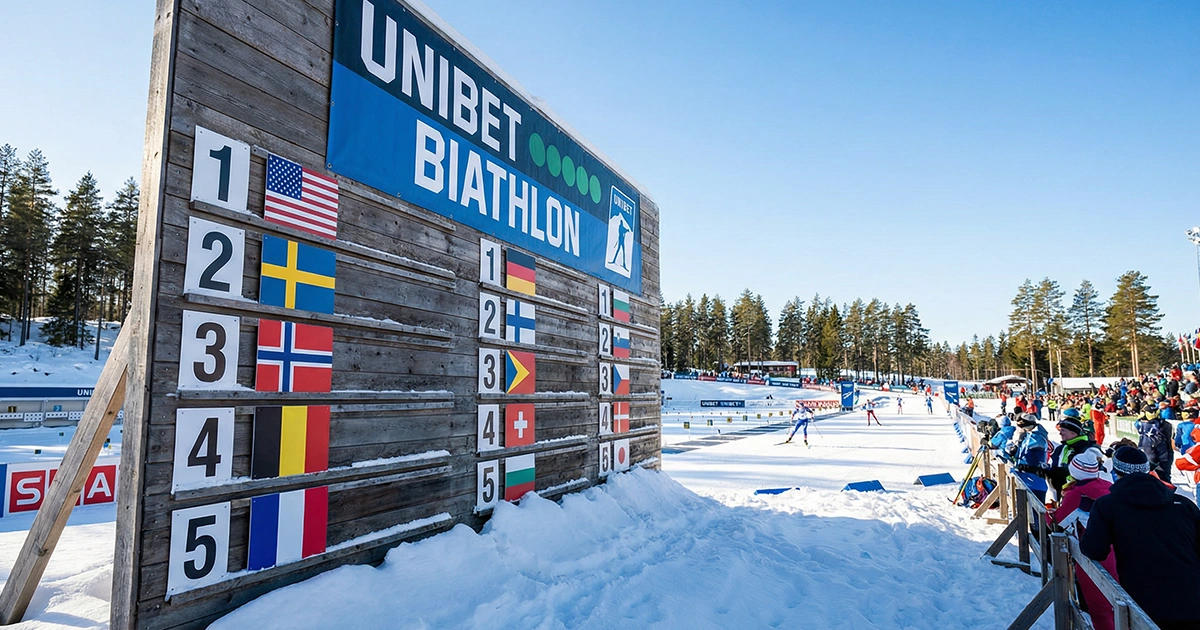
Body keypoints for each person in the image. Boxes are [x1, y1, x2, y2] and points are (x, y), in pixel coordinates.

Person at [1081, 447, 1200, 628]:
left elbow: (1094, 549)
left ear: (1116, 471)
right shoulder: (1183, 504)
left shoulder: (1108, 505)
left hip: (1145, 603)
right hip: (1192, 599)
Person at [1050, 450, 1118, 630]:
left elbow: (1059, 522)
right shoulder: (1107, 485)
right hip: (1117, 549)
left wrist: (1047, 515)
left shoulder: (1078, 494)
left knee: (1099, 607)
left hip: (1093, 552)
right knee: (1120, 604)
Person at [1047, 415, 1103, 499]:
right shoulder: (1061, 448)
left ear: (1073, 433)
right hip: (1060, 493)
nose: (1060, 433)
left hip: (1080, 496)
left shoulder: (1089, 450)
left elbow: (1094, 475)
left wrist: (1064, 473)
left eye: (1063, 430)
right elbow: (1054, 465)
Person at [1137, 405, 1175, 484]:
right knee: (1163, 479)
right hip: (1163, 456)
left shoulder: (1144, 426)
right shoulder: (1165, 424)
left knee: (1159, 480)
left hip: (1157, 456)